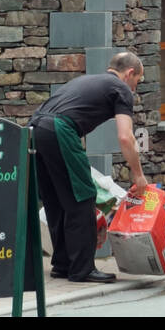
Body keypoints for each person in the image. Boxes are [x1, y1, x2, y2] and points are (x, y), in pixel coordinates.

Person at [30, 51, 149, 283]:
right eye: (138, 80)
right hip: (60, 130)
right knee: (83, 196)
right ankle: (82, 269)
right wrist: (139, 176)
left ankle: (63, 265)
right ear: (129, 73)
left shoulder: (88, 80)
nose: (136, 87)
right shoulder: (121, 89)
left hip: (35, 129)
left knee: (56, 199)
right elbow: (126, 137)